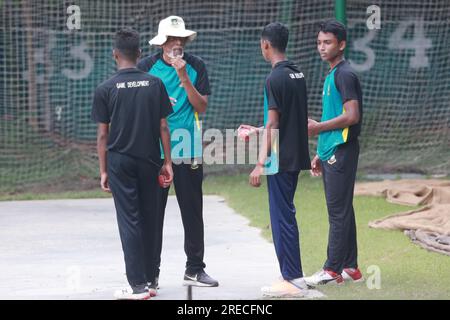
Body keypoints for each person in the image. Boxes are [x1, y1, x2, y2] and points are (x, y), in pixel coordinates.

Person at [91, 28, 174, 300]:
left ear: (115, 54)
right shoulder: (155, 84)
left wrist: (103, 170)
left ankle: (137, 286)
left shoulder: (105, 88)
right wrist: (168, 163)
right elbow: (163, 126)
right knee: (150, 219)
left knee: (130, 221)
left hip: (120, 163)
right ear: (139, 54)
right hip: (150, 159)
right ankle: (150, 280)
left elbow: (103, 134)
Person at [137, 16, 218, 289]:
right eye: (172, 40)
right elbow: (139, 108)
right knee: (152, 213)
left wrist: (183, 77)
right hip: (154, 152)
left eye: (180, 40)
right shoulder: (146, 67)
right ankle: (151, 274)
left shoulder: (195, 66)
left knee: (193, 210)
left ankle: (194, 269)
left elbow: (202, 106)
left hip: (188, 148)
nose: (177, 44)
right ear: (162, 42)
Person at [240, 22, 311, 297]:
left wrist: (259, 162)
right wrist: (258, 130)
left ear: (265, 45)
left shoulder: (274, 78)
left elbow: (274, 123)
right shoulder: (297, 74)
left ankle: (292, 279)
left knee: (281, 217)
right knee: (286, 214)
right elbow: (284, 120)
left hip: (280, 158)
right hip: (295, 154)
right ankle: (290, 274)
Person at [304, 20, 363, 286]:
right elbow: (333, 118)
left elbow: (351, 116)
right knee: (343, 210)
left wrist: (317, 129)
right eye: (318, 42)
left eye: (327, 42)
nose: (321, 47)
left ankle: (332, 270)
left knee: (337, 212)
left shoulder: (345, 74)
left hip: (343, 151)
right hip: (332, 149)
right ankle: (351, 267)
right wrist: (320, 151)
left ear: (341, 44)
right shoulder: (332, 74)